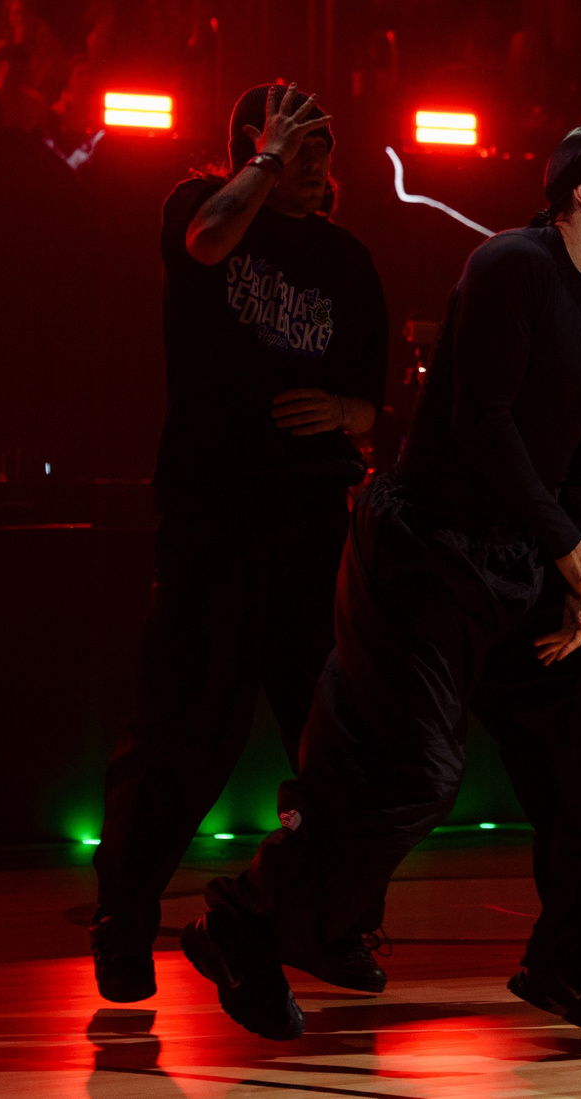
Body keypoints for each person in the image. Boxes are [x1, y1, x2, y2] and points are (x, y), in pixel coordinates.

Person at [185, 126, 581, 1046]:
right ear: (580, 193)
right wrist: (564, 541)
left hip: (528, 563)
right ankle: (243, 920)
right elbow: (479, 421)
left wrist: (579, 575)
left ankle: (570, 958)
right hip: (426, 552)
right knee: (414, 776)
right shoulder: (509, 267)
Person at [90, 85, 388, 1004]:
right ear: (251, 147)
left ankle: (321, 922)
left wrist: (344, 411)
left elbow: (374, 404)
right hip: (212, 519)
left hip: (310, 524)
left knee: (340, 740)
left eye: (323, 150)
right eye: (297, 147)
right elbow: (209, 242)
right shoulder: (200, 208)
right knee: (186, 729)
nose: (315, 167)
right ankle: (125, 921)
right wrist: (262, 161)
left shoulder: (346, 260)